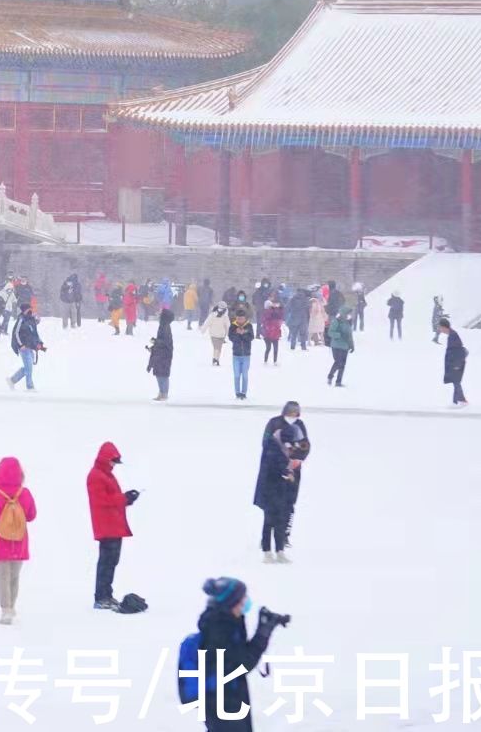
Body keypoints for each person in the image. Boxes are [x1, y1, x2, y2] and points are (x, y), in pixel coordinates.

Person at [189, 577, 289, 731]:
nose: (246, 603)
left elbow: (240, 655)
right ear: (231, 603)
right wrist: (263, 633)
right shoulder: (221, 630)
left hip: (225, 699)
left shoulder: (224, 621)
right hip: (224, 703)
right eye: (242, 600)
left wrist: (265, 627)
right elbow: (242, 664)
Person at [0, 456, 37, 625]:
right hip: (19, 542)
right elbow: (32, 515)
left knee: (3, 577)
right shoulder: (25, 493)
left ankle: (5, 610)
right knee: (14, 577)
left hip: (0, 542)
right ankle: (11, 607)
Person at [87, 441, 138, 610]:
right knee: (106, 562)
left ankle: (107, 595)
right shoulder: (96, 476)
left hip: (114, 525)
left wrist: (127, 499)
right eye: (113, 461)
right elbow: (101, 501)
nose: (114, 465)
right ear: (105, 458)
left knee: (112, 561)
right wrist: (124, 498)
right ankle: (101, 597)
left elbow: (112, 499)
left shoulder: (106, 475)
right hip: (107, 526)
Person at [253, 413, 305, 563]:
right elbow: (272, 467)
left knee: (280, 520)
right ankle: (267, 551)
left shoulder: (286, 445)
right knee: (269, 521)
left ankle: (280, 550)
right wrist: (286, 473)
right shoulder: (273, 446)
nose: (292, 447)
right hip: (269, 490)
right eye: (290, 444)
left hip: (282, 490)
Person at [8, 307, 46, 390]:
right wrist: (21, 345)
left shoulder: (31, 323)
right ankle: (30, 387)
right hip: (24, 348)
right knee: (29, 368)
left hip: (29, 347)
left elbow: (35, 335)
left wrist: (40, 344)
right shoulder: (21, 320)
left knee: (28, 367)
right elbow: (16, 333)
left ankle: (12, 380)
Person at [147, 309, 175, 401]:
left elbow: (166, 342)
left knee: (163, 375)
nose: (159, 316)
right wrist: (153, 347)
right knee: (159, 374)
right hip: (161, 354)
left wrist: (155, 341)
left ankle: (164, 394)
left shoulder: (165, 327)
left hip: (165, 355)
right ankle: (161, 393)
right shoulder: (163, 326)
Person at [439, 318, 468, 405]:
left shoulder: (453, 336)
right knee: (456, 382)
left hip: (456, 364)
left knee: (456, 382)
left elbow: (458, 351)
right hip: (454, 364)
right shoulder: (452, 335)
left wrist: (457, 364)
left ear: (444, 327)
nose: (440, 329)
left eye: (440, 327)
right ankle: (457, 401)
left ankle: (460, 400)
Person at [227, 308, 254, 400]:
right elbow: (231, 337)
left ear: (245, 318)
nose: (240, 320)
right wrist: (238, 334)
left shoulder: (249, 326)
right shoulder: (233, 326)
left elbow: (251, 337)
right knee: (237, 375)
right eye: (238, 318)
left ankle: (244, 392)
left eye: (241, 318)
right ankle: (237, 392)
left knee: (245, 375)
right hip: (236, 355)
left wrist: (244, 333)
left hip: (246, 355)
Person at [324, 309, 354, 386]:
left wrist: (352, 345)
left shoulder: (348, 322)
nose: (350, 315)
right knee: (338, 362)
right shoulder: (336, 321)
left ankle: (338, 381)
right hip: (336, 346)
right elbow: (330, 332)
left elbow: (350, 336)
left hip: (345, 347)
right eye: (348, 314)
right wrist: (339, 335)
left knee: (342, 365)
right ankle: (330, 376)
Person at [259, 299, 282, 364]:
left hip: (270, 333)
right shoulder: (269, 312)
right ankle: (273, 361)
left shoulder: (270, 312)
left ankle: (267, 361)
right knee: (273, 348)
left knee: (269, 348)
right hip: (272, 332)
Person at [206, 301, 229, 366]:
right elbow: (207, 322)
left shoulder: (225, 316)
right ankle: (215, 359)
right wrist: (203, 329)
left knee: (219, 348)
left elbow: (227, 325)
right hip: (214, 334)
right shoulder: (213, 315)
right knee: (216, 347)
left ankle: (216, 359)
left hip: (221, 335)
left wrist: (228, 333)